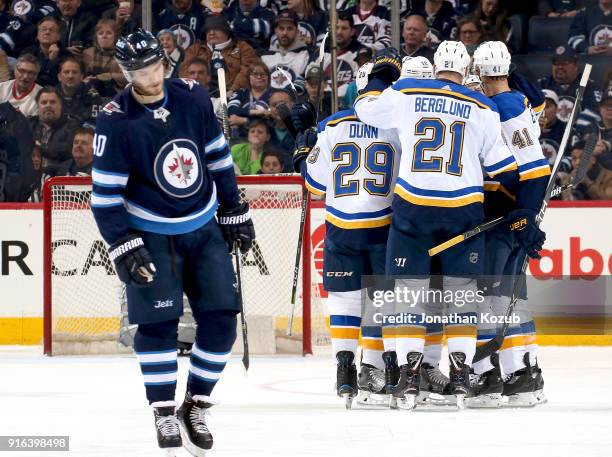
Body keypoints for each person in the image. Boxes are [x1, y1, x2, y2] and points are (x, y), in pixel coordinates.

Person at [91, 29, 254, 455]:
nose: (149, 73)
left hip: (202, 228)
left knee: (221, 321)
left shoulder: (194, 96)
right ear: (126, 73)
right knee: (158, 327)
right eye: (138, 68)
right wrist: (123, 243)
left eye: (153, 63)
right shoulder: (114, 118)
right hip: (151, 233)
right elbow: (105, 197)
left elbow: (217, 155)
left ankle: (195, 403)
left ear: (164, 60)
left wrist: (234, 207)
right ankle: (163, 411)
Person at [354, 42, 540, 409]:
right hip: (463, 213)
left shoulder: (407, 91)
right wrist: (507, 211)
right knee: (462, 296)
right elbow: (507, 171)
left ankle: (407, 378)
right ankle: (460, 379)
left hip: (413, 211)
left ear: (435, 66)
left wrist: (379, 77)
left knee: (409, 294)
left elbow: (365, 112)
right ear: (467, 67)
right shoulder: (481, 105)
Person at [293, 64, 402, 408]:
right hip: (383, 226)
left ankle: (345, 372)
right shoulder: (397, 126)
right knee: (381, 303)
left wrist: (302, 147)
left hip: (341, 228)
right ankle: (385, 368)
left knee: (344, 300)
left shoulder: (332, 126)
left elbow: (314, 185)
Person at [471, 41, 550, 408]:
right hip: (513, 212)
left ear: (483, 74)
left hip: (504, 212)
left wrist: (525, 215)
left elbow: (534, 169)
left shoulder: (502, 106)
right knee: (511, 296)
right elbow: (539, 107)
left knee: (492, 294)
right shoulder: (520, 100)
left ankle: (488, 372)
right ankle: (524, 372)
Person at [180, 15, 260, 95]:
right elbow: (184, 70)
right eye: (208, 30)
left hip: (234, 94)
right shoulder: (195, 48)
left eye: (216, 29)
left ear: (227, 31)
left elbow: (247, 70)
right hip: (199, 93)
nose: (211, 33)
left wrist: (233, 90)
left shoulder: (243, 47)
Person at [537, 46, 602, 125]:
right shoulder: (542, 84)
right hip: (549, 133)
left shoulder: (588, 85)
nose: (559, 67)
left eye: (564, 63)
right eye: (556, 63)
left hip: (578, 132)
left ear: (576, 66)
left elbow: (595, 111)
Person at [30, 85, 79, 170]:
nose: (48, 105)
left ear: (61, 105)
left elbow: (65, 151)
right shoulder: (29, 124)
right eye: (44, 102)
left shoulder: (72, 126)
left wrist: (40, 146)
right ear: (38, 106)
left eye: (52, 102)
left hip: (59, 178)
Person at [82, 19, 128, 98]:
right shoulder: (87, 53)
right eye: (100, 33)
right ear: (96, 37)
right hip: (89, 94)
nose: (104, 36)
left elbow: (130, 78)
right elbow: (79, 75)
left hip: (115, 96)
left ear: (116, 36)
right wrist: (84, 81)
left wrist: (111, 76)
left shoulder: (123, 54)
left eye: (109, 33)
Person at [261, 10, 311, 79]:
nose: (285, 33)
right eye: (281, 28)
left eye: (289, 29)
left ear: (297, 31)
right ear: (275, 31)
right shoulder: (264, 56)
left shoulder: (308, 54)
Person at [227, 63, 272, 137]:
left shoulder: (275, 94)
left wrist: (244, 120)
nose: (259, 77)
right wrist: (254, 112)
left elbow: (274, 118)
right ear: (248, 77)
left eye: (263, 74)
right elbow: (231, 110)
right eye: (255, 74)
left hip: (268, 139)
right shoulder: (241, 93)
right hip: (241, 138)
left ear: (268, 78)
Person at [21, 17, 68, 86]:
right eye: (43, 29)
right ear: (37, 35)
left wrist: (54, 61)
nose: (47, 32)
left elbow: (59, 81)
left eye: (51, 30)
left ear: (59, 36)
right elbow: (24, 76)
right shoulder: (28, 53)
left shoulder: (66, 55)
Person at [56, 56, 102, 125]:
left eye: (74, 72)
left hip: (82, 133)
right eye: (66, 72)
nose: (70, 76)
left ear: (81, 77)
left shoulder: (92, 95)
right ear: (59, 77)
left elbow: (95, 123)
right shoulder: (51, 94)